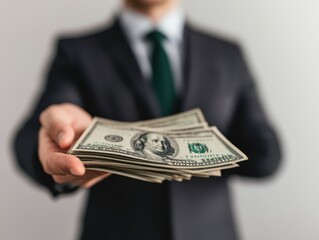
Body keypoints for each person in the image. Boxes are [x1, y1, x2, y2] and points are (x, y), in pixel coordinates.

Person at [13, 0, 281, 239]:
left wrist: (239, 153)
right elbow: (29, 137)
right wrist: (55, 155)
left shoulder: (228, 53)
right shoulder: (76, 51)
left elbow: (267, 152)